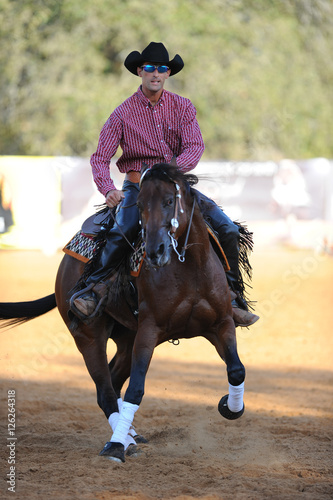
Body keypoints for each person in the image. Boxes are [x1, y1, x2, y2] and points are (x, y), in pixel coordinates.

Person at [73, 42, 259, 327]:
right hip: (138, 187)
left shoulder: (183, 107)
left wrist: (172, 171)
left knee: (228, 229)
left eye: (161, 68)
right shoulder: (122, 114)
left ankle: (233, 297)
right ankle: (96, 288)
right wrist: (108, 189)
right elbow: (100, 158)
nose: (155, 73)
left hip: (174, 185)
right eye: (149, 68)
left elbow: (194, 146)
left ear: (168, 73)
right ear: (140, 71)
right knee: (121, 230)